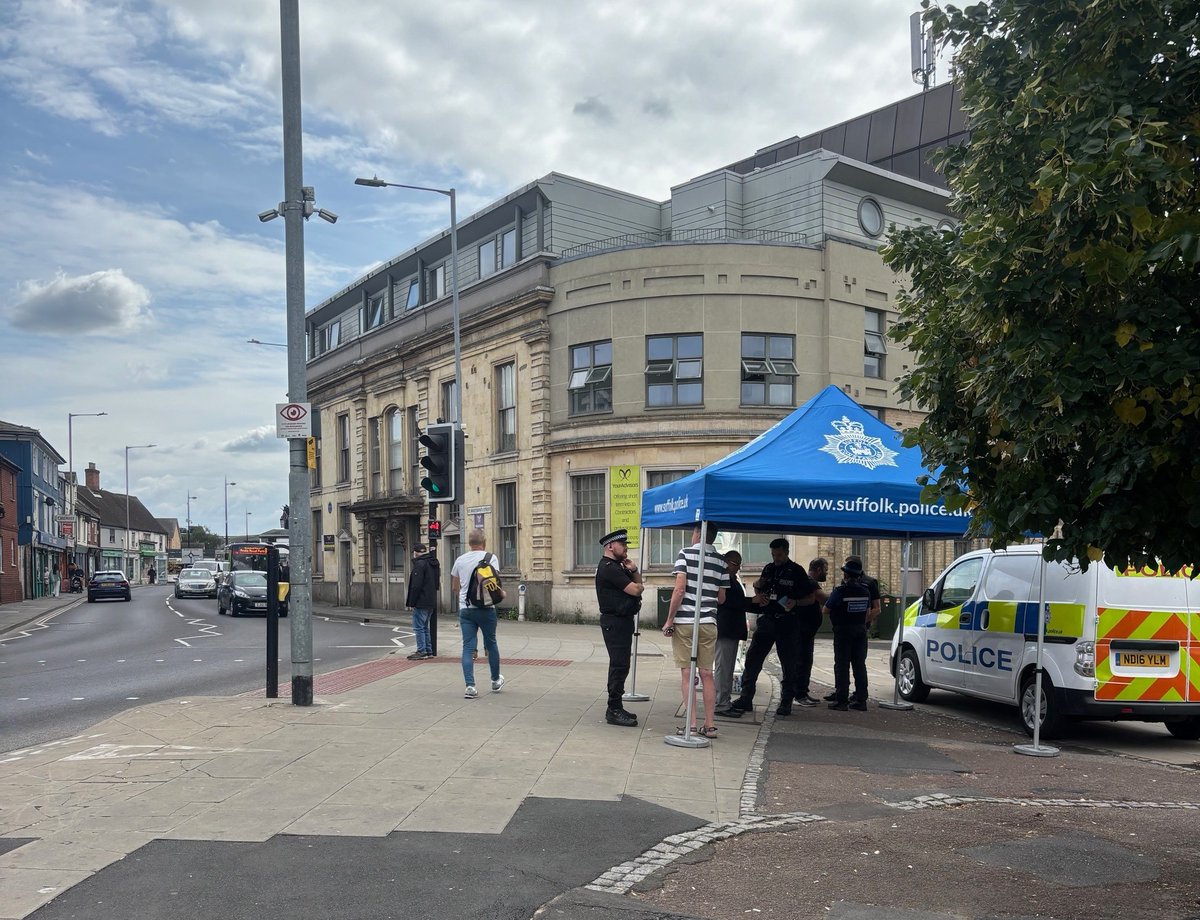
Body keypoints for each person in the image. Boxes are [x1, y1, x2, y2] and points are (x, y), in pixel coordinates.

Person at [730, 538, 820, 717]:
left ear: (786, 552)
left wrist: (795, 602)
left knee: (789, 664)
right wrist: (757, 588)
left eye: (778, 554)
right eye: (773, 555)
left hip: (787, 622)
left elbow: (811, 599)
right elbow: (760, 590)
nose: (776, 558)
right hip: (767, 620)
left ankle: (786, 702)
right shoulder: (769, 568)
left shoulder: (797, 571)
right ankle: (746, 698)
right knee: (753, 659)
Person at [662, 523, 728, 738]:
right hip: (709, 622)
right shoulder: (721, 561)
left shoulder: (685, 554)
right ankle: (710, 725)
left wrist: (669, 620)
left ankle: (691, 724)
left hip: (686, 621)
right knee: (707, 673)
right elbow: (721, 598)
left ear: (698, 533)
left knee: (687, 673)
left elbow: (680, 589)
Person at [594, 529, 644, 727]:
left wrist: (634, 571)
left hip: (622, 620)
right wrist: (637, 586)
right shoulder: (609, 568)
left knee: (622, 664)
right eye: (622, 545)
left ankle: (617, 705)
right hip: (614, 621)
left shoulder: (619, 567)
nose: (626, 548)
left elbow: (638, 585)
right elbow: (635, 589)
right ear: (610, 546)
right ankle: (613, 709)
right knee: (619, 664)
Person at [450, 529, 506, 699]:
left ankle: (470, 687)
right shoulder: (491, 558)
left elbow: (454, 587)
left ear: (469, 543)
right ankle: (495, 680)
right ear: (484, 542)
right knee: (491, 644)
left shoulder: (460, 560)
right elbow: (493, 583)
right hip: (487, 609)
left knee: (468, 647)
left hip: (466, 610)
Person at [824, 555, 881, 702]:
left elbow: (877, 609)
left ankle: (842, 698)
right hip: (860, 630)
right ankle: (861, 698)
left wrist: (855, 619)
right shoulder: (864, 590)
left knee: (842, 664)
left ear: (848, 572)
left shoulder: (864, 585)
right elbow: (868, 610)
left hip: (845, 629)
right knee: (859, 664)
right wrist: (860, 621)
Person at [713, 550, 751, 718]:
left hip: (732, 629)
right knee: (723, 667)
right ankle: (721, 703)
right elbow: (727, 601)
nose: (738, 568)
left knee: (727, 668)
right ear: (727, 562)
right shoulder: (723, 578)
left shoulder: (732, 579)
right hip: (725, 628)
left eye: (739, 565)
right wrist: (751, 601)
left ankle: (725, 701)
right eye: (736, 564)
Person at [791, 557, 829, 707]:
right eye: (825, 569)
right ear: (819, 569)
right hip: (803, 630)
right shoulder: (811, 583)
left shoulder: (808, 582)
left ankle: (802, 692)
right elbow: (825, 599)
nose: (826, 572)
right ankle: (799, 694)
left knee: (805, 661)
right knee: (802, 661)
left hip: (806, 630)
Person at [406, 543, 440, 660]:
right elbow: (436, 583)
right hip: (431, 600)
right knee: (425, 627)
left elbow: (416, 586)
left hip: (421, 600)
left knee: (419, 627)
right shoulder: (433, 563)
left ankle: (421, 651)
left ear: (415, 553)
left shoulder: (419, 564)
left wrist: (412, 602)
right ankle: (428, 650)